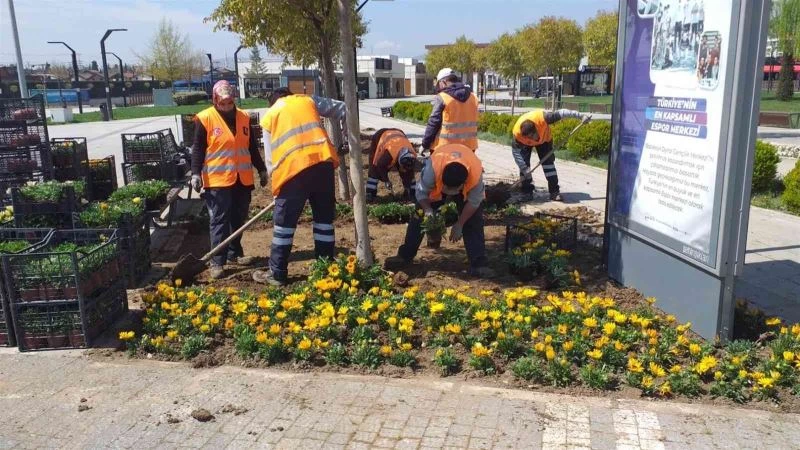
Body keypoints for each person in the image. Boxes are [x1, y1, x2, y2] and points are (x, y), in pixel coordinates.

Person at [251, 87, 346, 286]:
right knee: (323, 220)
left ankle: (277, 273)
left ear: (272, 102)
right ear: (291, 95)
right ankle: (325, 269)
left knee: (284, 225)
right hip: (322, 164)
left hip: (293, 171)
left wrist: (277, 193)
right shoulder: (308, 100)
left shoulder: (270, 115)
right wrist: (346, 140)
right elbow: (344, 108)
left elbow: (270, 161)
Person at [191, 80, 268, 280]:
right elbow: (198, 148)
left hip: (242, 179)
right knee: (219, 220)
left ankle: (234, 253)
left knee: (238, 218)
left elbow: (252, 147)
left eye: (229, 102)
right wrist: (195, 173)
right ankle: (217, 261)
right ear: (215, 100)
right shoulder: (205, 118)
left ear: (234, 99)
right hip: (218, 180)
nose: (226, 106)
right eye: (222, 103)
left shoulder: (244, 117)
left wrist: (261, 169)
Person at [384, 143, 494, 278]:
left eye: (454, 190)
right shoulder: (432, 169)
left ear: (463, 184)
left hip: (466, 182)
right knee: (419, 216)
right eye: (448, 189)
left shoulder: (475, 175)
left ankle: (479, 264)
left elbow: (474, 202)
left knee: (474, 221)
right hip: (438, 181)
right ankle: (405, 256)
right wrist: (428, 210)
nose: (450, 193)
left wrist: (460, 224)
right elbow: (421, 192)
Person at [511, 109, 590, 202]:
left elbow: (563, 113)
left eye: (532, 136)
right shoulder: (518, 135)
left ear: (536, 129)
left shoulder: (544, 118)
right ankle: (526, 192)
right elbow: (516, 153)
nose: (532, 139)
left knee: (548, 165)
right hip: (525, 144)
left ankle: (554, 192)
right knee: (524, 167)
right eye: (529, 137)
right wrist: (524, 168)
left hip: (545, 140)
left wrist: (581, 116)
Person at [421, 68, 479, 153]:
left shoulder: (442, 97)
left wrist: (425, 144)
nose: (439, 87)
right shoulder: (473, 97)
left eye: (439, 84)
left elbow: (433, 123)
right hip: (469, 148)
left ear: (443, 82)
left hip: (445, 148)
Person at [366, 128, 418, 202]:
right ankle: (370, 193)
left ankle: (411, 193)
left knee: (408, 173)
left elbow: (409, 172)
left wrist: (410, 188)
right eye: (403, 168)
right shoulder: (389, 155)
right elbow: (380, 165)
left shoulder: (412, 156)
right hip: (380, 136)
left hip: (399, 134)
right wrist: (386, 180)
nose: (404, 170)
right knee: (374, 168)